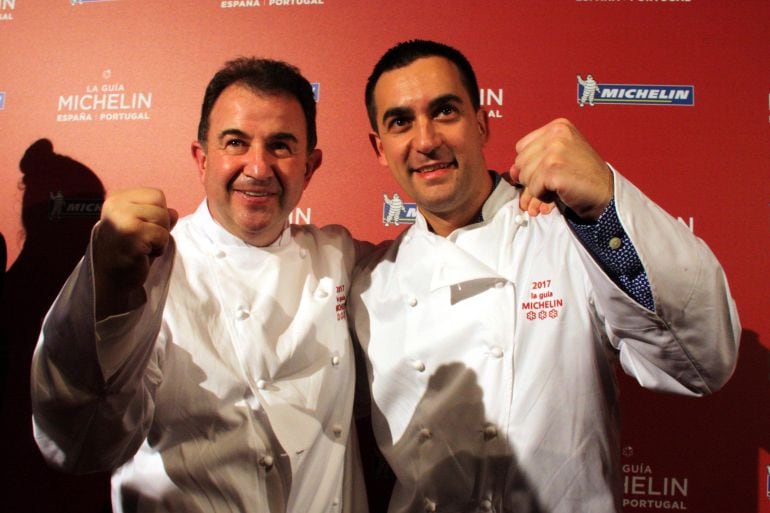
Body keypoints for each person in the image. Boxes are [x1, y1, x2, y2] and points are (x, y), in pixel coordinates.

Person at [349, 39, 740, 512]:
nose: (426, 140)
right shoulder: (370, 284)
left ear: (480, 122)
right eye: (400, 122)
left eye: (445, 111)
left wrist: (603, 199)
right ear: (379, 148)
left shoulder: (572, 237)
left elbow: (705, 360)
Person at [31, 57, 368, 513]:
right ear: (202, 158)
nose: (258, 167)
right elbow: (80, 445)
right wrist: (109, 292)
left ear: (310, 167)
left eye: (281, 146)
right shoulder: (145, 270)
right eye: (236, 142)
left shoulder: (338, 256)